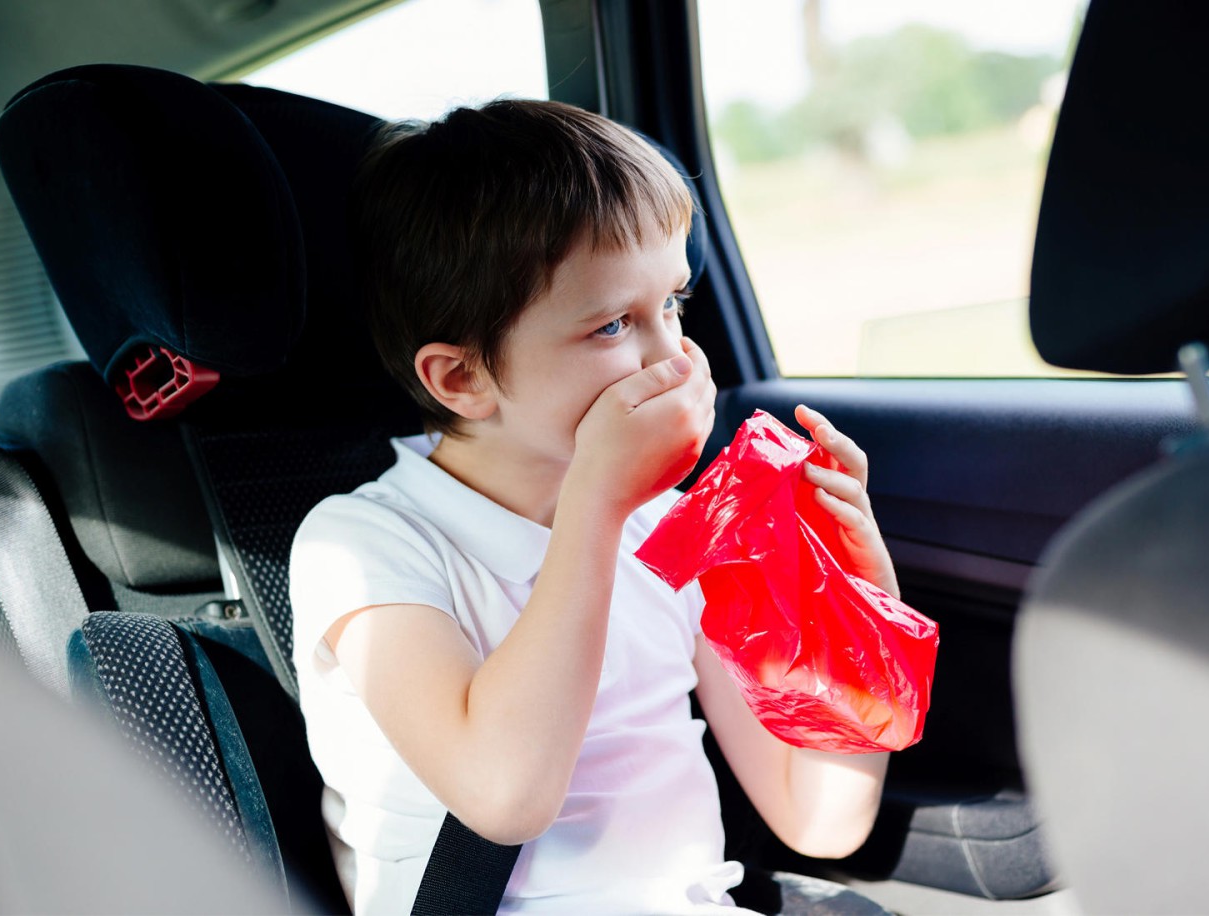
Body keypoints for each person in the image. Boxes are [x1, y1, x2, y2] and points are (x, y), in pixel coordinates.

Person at [289, 99, 904, 915]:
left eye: (673, 305)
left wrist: (859, 603)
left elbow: (821, 816)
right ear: (462, 379)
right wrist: (596, 506)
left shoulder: (667, 527)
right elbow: (505, 797)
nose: (675, 357)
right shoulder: (361, 547)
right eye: (614, 324)